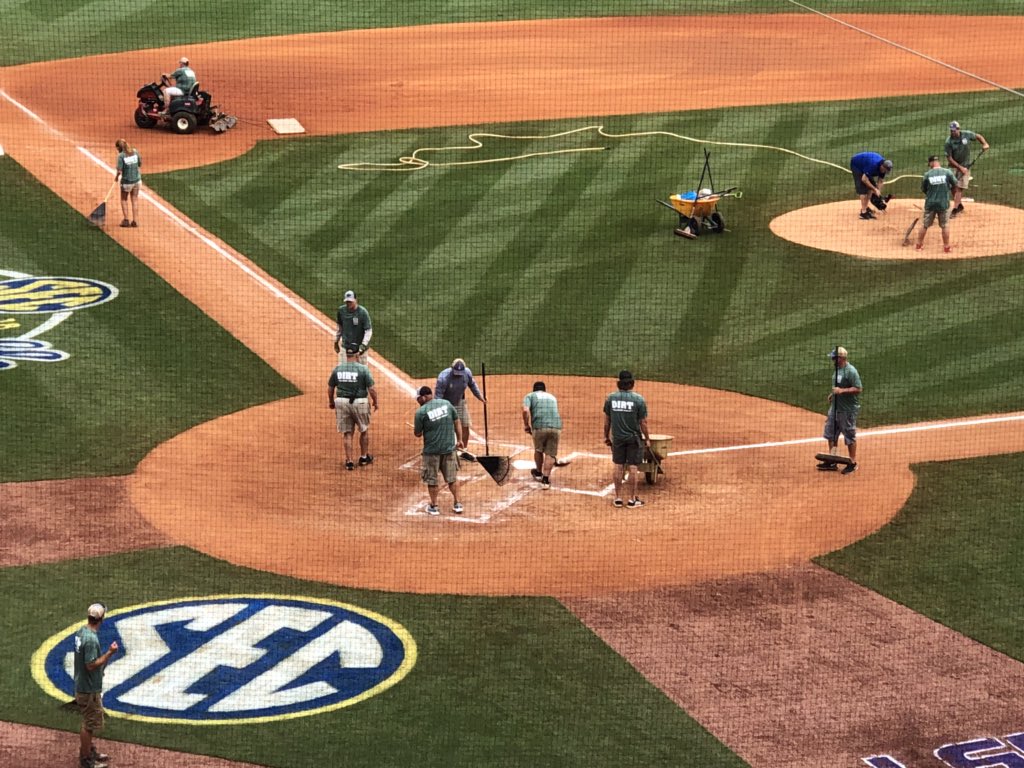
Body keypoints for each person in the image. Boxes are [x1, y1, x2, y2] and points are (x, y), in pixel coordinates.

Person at [74, 603, 118, 768]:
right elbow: (91, 665)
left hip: (84, 684)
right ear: (101, 618)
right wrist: (110, 653)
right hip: (88, 688)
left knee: (89, 721)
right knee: (89, 724)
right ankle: (86, 760)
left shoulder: (82, 631)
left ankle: (89, 751)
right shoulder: (91, 639)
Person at [603, 370, 651, 508]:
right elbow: (643, 422)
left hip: (617, 438)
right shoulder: (638, 399)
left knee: (618, 465)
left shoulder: (610, 398)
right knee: (633, 467)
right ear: (632, 383)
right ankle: (632, 500)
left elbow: (607, 421)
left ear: (619, 383)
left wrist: (606, 436)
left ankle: (618, 498)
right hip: (633, 438)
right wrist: (647, 438)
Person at [413, 385, 464, 515]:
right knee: (452, 478)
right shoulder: (446, 404)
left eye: (418, 399)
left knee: (432, 479)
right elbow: (457, 421)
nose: (418, 401)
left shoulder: (421, 412)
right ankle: (458, 504)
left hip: (431, 452)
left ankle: (434, 506)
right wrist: (459, 439)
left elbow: (417, 433)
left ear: (424, 397)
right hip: (449, 449)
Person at [328, 342, 379, 470]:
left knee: (347, 433)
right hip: (360, 402)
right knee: (364, 430)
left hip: (341, 402)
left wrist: (331, 402)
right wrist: (375, 402)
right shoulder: (363, 369)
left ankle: (349, 461)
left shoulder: (338, 368)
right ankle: (363, 458)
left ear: (346, 354)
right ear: (357, 354)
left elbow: (330, 387)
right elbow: (371, 389)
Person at [817, 346, 863, 475]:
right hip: (835, 408)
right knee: (831, 433)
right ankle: (832, 460)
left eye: (834, 357)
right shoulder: (837, 369)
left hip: (847, 410)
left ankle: (852, 463)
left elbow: (858, 389)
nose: (832, 359)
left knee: (849, 435)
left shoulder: (851, 371)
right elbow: (838, 386)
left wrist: (842, 391)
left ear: (841, 358)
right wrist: (834, 394)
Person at [435, 358, 486, 449]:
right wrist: (438, 411)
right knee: (446, 428)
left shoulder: (467, 373)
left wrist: (480, 397)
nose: (458, 375)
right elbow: (438, 397)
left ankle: (463, 449)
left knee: (465, 425)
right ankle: (445, 448)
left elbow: (473, 385)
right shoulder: (443, 378)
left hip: (459, 402)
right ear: (452, 368)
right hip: (445, 404)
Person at [944, 120, 990, 217]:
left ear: (958, 129)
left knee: (959, 188)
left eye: (954, 130)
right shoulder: (949, 142)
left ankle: (955, 209)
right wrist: (960, 167)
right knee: (952, 186)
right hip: (953, 166)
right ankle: (959, 205)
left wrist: (984, 144)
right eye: (951, 131)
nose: (953, 132)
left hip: (965, 165)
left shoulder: (966, 134)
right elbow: (949, 158)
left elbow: (978, 136)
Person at [522, 381, 562, 489]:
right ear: (544, 390)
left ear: (534, 389)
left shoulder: (529, 396)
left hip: (539, 427)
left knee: (538, 450)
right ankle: (545, 480)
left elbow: (525, 411)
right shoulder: (552, 397)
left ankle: (538, 473)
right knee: (550, 453)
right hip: (556, 427)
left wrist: (526, 425)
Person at [915, 155, 958, 254]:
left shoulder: (927, 174)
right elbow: (955, 185)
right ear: (938, 161)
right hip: (943, 203)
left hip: (930, 204)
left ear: (931, 163)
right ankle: (946, 247)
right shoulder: (948, 172)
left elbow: (924, 189)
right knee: (945, 225)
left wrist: (932, 195)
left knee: (925, 225)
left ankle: (918, 245)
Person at [849, 152, 893, 220]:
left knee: (870, 188)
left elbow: (880, 181)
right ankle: (863, 213)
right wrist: (875, 189)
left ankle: (866, 208)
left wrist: (877, 191)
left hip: (866, 164)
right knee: (863, 190)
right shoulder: (873, 165)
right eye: (885, 170)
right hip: (857, 165)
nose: (885, 172)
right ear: (882, 166)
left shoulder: (883, 169)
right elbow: (864, 179)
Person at [333, 290, 372, 364]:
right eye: (347, 302)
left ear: (355, 300)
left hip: (360, 349)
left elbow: (368, 330)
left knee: (362, 372)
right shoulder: (341, 311)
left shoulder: (363, 312)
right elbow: (340, 328)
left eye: (350, 301)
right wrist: (336, 341)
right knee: (342, 370)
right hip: (345, 346)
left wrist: (363, 345)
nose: (348, 303)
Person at [113, 139, 141, 228]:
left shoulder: (121, 156)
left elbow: (119, 171)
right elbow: (140, 164)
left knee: (124, 199)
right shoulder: (135, 152)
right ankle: (135, 221)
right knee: (134, 200)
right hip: (137, 181)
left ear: (118, 148)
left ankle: (126, 220)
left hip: (126, 182)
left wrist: (117, 177)